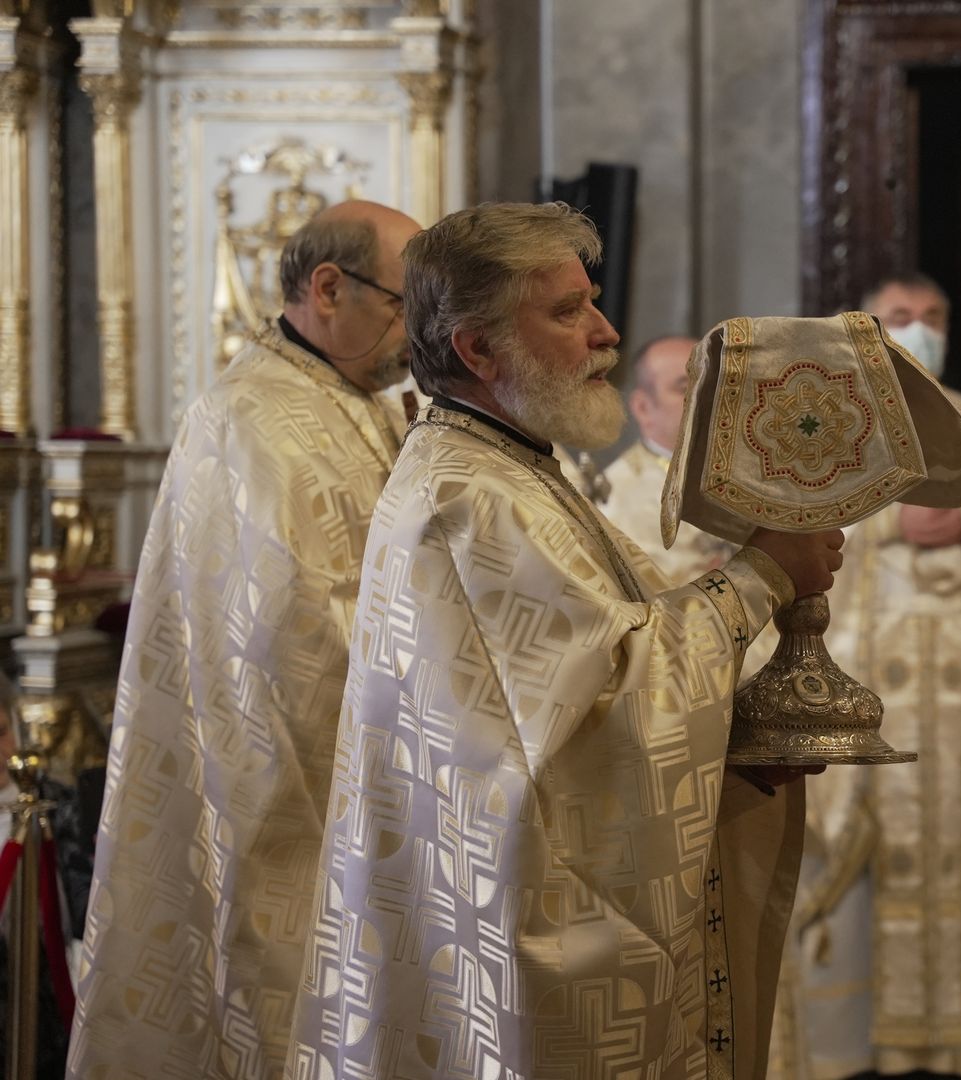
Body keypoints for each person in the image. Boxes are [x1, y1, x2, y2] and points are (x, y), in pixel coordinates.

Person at [284, 202, 843, 1079]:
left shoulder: (507, 467)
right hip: (517, 932)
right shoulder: (469, 498)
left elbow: (590, 679)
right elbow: (609, 706)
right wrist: (762, 574)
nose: (605, 332)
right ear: (477, 348)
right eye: (567, 310)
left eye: (591, 303)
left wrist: (731, 749)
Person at [67, 201, 421, 1079]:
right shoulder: (253, 421)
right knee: (268, 1000)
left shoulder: (350, 398)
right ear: (327, 288)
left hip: (345, 773)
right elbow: (288, 641)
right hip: (273, 783)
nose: (414, 335)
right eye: (403, 305)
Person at [768, 273, 961, 1080]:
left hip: (960, 700)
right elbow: (787, 527)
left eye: (933, 316)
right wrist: (894, 521)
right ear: (864, 330)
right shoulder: (822, 416)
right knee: (850, 872)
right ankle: (844, 1047)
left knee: (952, 857)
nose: (920, 329)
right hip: (857, 681)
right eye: (901, 317)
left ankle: (950, 1046)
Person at [600, 334, 736, 580]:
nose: (706, 398)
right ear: (643, 408)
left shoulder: (749, 468)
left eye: (713, 383)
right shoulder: (616, 502)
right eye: (685, 388)